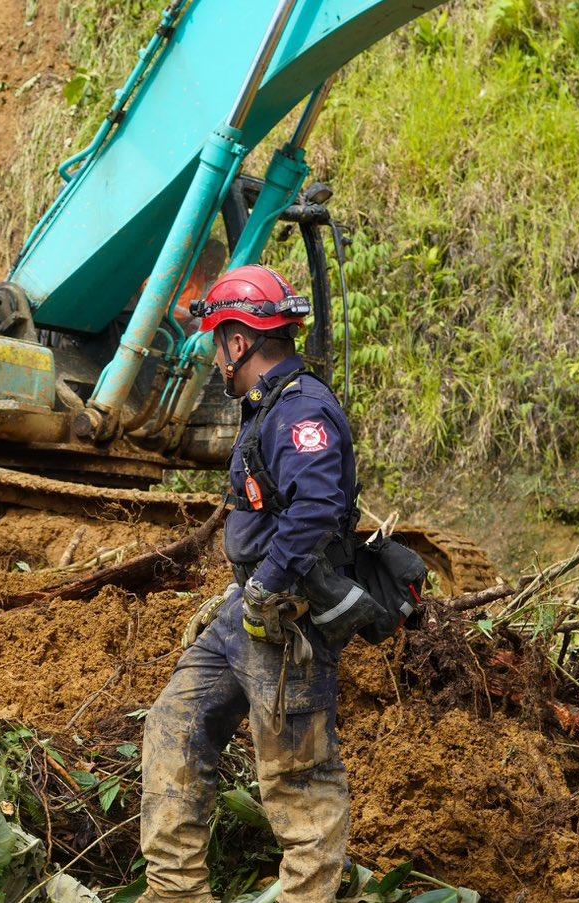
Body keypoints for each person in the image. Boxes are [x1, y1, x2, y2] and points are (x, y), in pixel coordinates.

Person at [139, 264, 357, 903]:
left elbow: (317, 506)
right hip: (249, 613)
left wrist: (265, 585)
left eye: (216, 342)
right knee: (175, 723)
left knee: (299, 781)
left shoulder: (302, 410)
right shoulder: (270, 408)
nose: (215, 357)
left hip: (287, 621)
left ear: (238, 342)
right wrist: (245, 591)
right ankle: (176, 893)